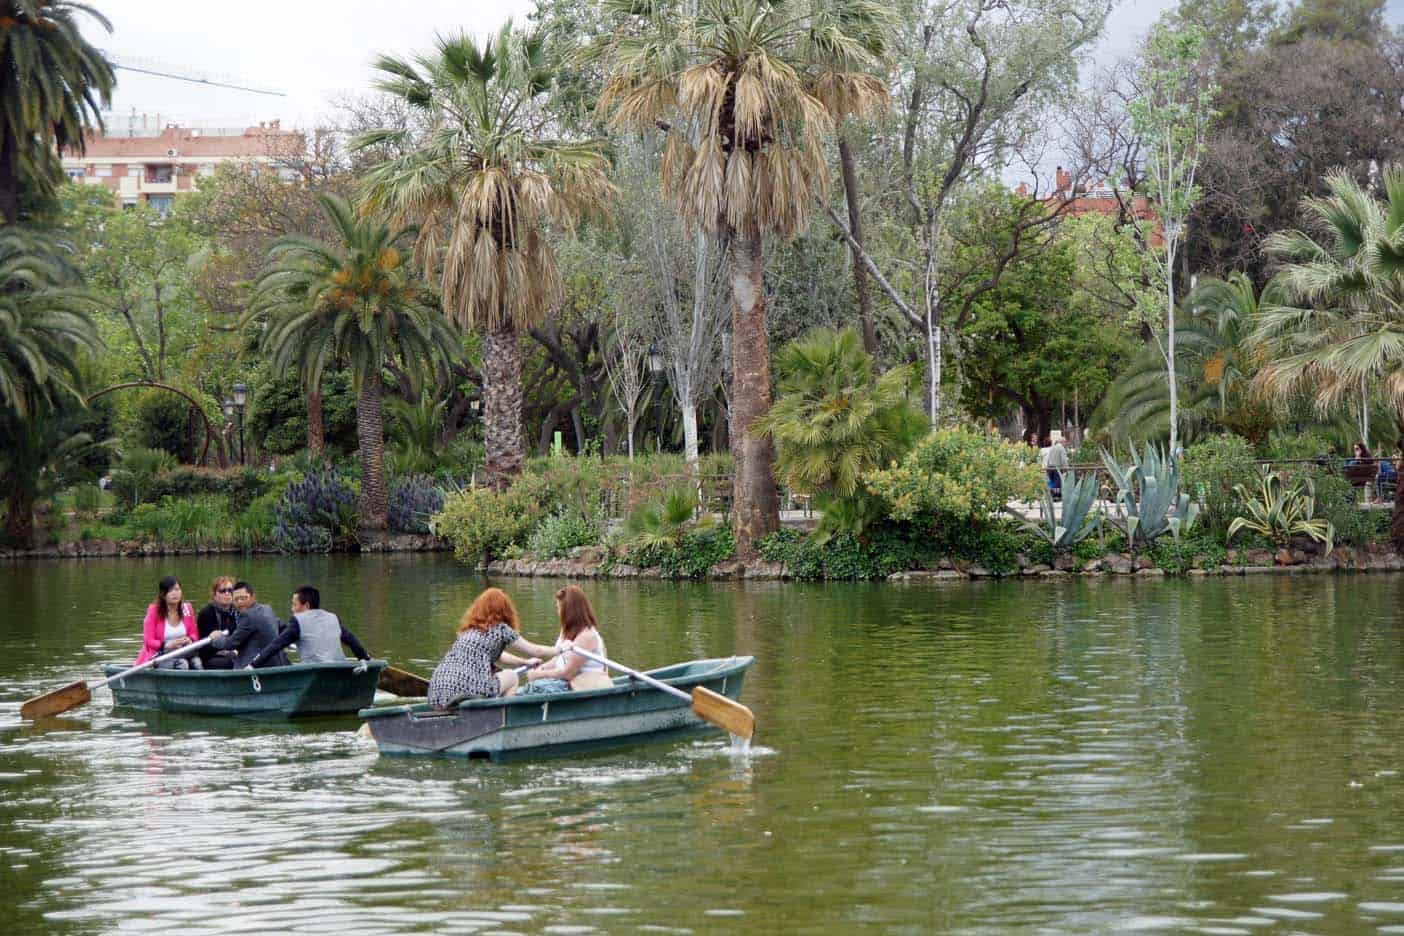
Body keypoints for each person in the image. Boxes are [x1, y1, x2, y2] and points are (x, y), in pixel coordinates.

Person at [426, 587, 559, 709]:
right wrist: (561, 649)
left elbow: (498, 657)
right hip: (468, 691)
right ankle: (502, 718)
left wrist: (524, 662)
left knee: (497, 676)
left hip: (437, 690)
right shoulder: (501, 628)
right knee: (512, 676)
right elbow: (536, 651)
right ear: (504, 610)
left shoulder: (468, 632)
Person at [244, 585, 371, 669]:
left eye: (294, 605)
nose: (292, 609)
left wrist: (253, 665)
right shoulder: (333, 617)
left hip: (316, 673)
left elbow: (276, 645)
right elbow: (352, 641)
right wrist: (365, 659)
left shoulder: (298, 621)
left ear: (306, 606)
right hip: (340, 670)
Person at [519, 585, 613, 695]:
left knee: (534, 688)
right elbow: (561, 658)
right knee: (530, 687)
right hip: (568, 683)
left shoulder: (587, 636)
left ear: (570, 612)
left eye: (559, 608)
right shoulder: (566, 630)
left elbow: (568, 673)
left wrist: (538, 675)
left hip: (585, 686)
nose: (558, 612)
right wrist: (542, 667)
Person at [210, 581, 289, 670]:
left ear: (253, 597)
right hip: (277, 664)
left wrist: (216, 639)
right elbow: (283, 627)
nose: (240, 602)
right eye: (236, 599)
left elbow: (231, 644)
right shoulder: (268, 609)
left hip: (253, 668)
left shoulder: (247, 616)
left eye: (243, 598)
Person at [136, 576, 200, 669]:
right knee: (182, 664)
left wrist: (190, 639)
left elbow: (195, 634)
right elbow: (148, 640)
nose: (175, 593)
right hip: (161, 655)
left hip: (183, 652)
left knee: (197, 662)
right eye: (170, 590)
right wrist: (167, 645)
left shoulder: (187, 608)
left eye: (177, 589)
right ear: (163, 594)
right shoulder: (154, 611)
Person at [195, 575, 239, 669]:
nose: (227, 593)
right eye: (222, 591)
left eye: (230, 590)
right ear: (215, 595)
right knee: (231, 661)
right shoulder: (207, 613)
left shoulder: (237, 611)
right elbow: (204, 648)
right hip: (211, 656)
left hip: (234, 651)